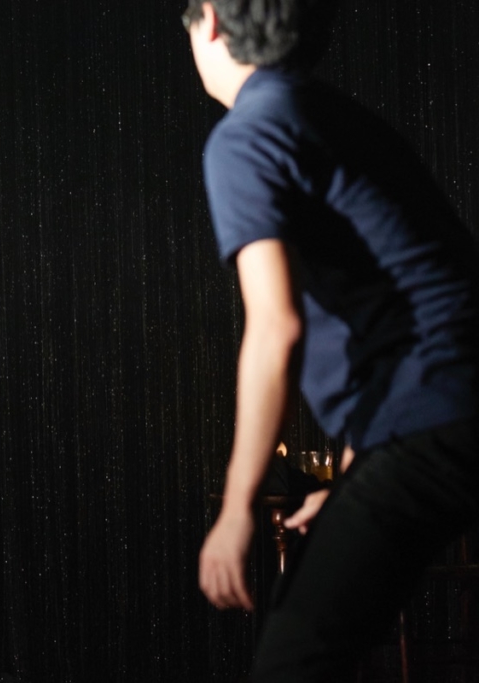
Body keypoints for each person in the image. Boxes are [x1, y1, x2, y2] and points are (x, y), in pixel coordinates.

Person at [184, 0, 479, 680]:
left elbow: (275, 328)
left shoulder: (245, 136)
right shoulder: (340, 118)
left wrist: (238, 508)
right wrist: (350, 479)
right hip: (436, 412)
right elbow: (397, 305)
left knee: (294, 661)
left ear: (213, 21)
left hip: (433, 419)